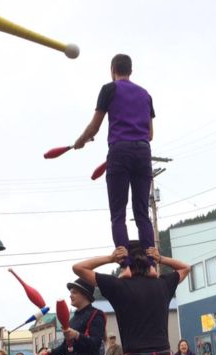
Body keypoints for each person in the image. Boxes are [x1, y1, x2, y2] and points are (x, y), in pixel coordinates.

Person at [72, 54, 157, 275]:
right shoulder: (146, 95)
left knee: (118, 213)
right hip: (143, 152)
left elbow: (94, 127)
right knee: (142, 213)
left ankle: (126, 266)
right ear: (131, 70)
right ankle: (151, 266)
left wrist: (81, 140)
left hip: (119, 151)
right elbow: (150, 134)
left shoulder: (109, 89)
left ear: (112, 70)